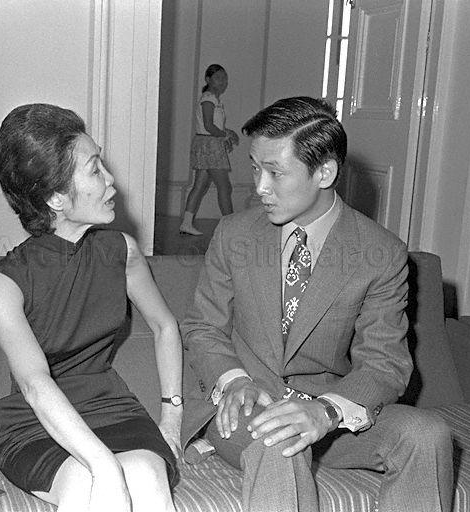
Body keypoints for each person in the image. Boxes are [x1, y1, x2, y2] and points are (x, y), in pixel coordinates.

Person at [181, 97, 453, 512]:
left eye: (275, 172)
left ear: (325, 172)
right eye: (255, 168)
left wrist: (326, 412)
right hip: (244, 406)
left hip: (328, 413)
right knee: (281, 442)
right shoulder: (234, 234)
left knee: (428, 434)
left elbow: (384, 363)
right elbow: (203, 327)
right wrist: (234, 379)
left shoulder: (381, 253)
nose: (259, 187)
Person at [0, 103, 182, 512]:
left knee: (147, 475)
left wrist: (173, 419)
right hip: (37, 424)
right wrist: (103, 465)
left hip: (113, 410)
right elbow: (36, 385)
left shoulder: (120, 251)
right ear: (56, 197)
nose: (112, 181)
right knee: (84, 484)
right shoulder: (4, 284)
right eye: (94, 170)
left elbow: (165, 327)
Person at [179, 64, 240, 236]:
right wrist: (224, 136)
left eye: (224, 78)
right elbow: (208, 125)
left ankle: (186, 223)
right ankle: (230, 225)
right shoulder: (209, 99)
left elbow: (212, 126)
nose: (223, 81)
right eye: (218, 78)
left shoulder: (212, 99)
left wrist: (226, 132)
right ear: (208, 80)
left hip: (208, 143)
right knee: (224, 186)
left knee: (200, 185)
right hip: (209, 145)